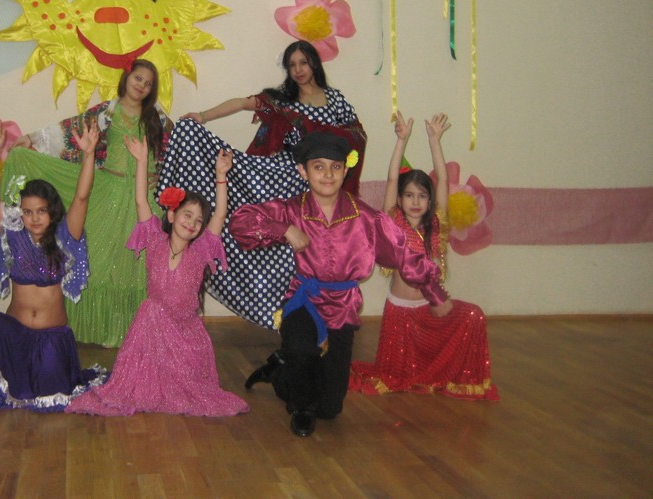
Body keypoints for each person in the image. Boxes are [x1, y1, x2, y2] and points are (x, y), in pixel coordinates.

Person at [230, 131, 452, 437]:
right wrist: (284, 229)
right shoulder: (292, 209)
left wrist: (435, 293)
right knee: (303, 351)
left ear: (345, 170)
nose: (327, 174)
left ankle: (279, 369)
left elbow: (404, 254)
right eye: (318, 167)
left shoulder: (367, 218)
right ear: (303, 171)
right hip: (304, 300)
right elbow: (241, 221)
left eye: (335, 167)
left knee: (330, 407)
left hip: (343, 307)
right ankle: (300, 406)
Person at [157, 40, 367, 329]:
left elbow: (356, 135)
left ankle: (306, 319)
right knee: (258, 229)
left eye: (303, 63)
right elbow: (243, 103)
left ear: (314, 63)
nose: (298, 70)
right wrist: (201, 117)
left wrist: (321, 138)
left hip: (315, 185)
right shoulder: (282, 100)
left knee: (303, 252)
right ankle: (280, 316)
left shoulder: (335, 100)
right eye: (292, 65)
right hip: (277, 175)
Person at [67, 135, 248, 417]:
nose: (192, 223)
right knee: (151, 312)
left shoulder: (199, 252)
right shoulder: (154, 240)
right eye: (187, 215)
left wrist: (221, 176)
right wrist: (142, 161)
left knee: (191, 391)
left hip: (185, 333)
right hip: (150, 331)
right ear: (172, 216)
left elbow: (220, 215)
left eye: (198, 221)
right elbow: (141, 200)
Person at [1, 59, 173, 347]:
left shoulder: (158, 117)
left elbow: (176, 149)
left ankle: (140, 334)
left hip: (145, 201)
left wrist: (164, 177)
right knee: (100, 263)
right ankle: (97, 330)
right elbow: (71, 130)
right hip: (109, 195)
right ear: (127, 77)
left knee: (140, 267)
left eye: (148, 83)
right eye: (138, 78)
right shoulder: (107, 112)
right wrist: (33, 139)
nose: (142, 85)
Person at [0, 118, 107, 412]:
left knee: (48, 401)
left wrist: (89, 154)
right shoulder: (12, 234)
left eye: (41, 211)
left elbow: (82, 197)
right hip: (16, 338)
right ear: (20, 213)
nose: (34, 218)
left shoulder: (65, 235)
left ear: (52, 212)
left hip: (52, 340)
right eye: (27, 212)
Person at [349, 112, 499, 401]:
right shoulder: (393, 224)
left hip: (429, 310)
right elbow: (392, 178)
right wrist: (401, 140)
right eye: (409, 195)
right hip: (401, 314)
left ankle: (458, 377)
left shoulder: (437, 226)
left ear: (430, 201)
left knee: (473, 316)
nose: (415, 201)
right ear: (400, 200)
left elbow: (442, 180)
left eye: (421, 196)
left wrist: (435, 141)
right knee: (397, 377)